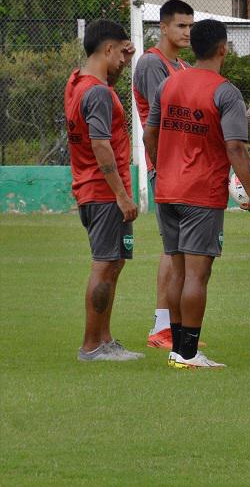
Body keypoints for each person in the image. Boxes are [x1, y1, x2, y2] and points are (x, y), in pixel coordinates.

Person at [143, 19, 250, 369]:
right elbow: (236, 149)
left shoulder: (168, 84)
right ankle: (188, 353)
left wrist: (162, 169)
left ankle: (177, 348)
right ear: (224, 48)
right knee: (197, 275)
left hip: (166, 191)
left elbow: (148, 136)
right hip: (200, 194)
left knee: (178, 272)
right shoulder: (225, 91)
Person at [67, 20, 144, 362]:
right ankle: (91, 346)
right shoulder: (97, 92)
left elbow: (107, 69)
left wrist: (124, 50)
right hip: (103, 193)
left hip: (92, 191)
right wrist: (122, 195)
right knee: (104, 265)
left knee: (113, 264)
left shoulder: (78, 83)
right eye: (121, 53)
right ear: (108, 49)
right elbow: (100, 144)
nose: (124, 61)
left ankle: (105, 340)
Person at [133, 0, 194, 350]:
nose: (186, 32)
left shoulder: (182, 65)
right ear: (164, 27)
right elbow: (171, 115)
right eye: (180, 26)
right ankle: (163, 326)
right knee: (174, 251)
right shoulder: (152, 64)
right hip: (167, 168)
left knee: (177, 251)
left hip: (185, 168)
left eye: (190, 26)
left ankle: (167, 325)